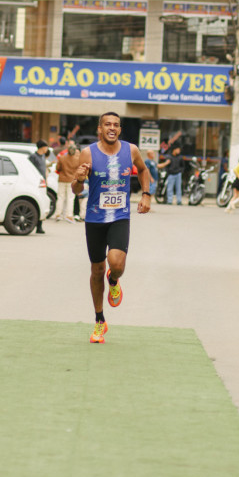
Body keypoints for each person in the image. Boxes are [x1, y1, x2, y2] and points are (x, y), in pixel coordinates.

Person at [72, 111, 150, 344]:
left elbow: (143, 170)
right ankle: (99, 320)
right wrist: (79, 179)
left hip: (119, 216)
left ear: (120, 129)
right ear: (100, 129)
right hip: (95, 219)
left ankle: (114, 280)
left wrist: (146, 194)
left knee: (116, 263)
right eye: (107, 124)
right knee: (96, 270)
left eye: (116, 125)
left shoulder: (131, 150)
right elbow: (77, 190)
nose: (112, 128)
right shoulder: (88, 153)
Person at [54, 140, 81, 222]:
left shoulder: (62, 158)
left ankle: (58, 214)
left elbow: (57, 168)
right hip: (72, 180)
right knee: (70, 198)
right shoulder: (77, 159)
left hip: (62, 179)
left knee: (60, 197)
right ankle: (69, 215)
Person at [29, 140, 49, 233]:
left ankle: (39, 226)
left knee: (42, 203)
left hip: (42, 183)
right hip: (35, 183)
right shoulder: (33, 157)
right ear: (42, 147)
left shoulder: (43, 156)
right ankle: (34, 225)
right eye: (46, 147)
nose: (47, 149)